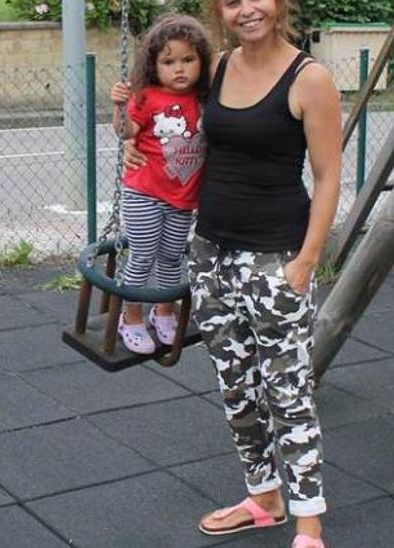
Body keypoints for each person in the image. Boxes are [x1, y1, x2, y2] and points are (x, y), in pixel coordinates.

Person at [126, 0, 341, 546]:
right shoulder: (216, 68)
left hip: (276, 259)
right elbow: (164, 119)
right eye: (231, 2)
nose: (247, 10)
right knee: (237, 388)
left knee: (288, 390)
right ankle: (264, 496)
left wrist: (306, 261)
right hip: (211, 254)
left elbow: (328, 175)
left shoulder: (309, 79)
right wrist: (128, 139)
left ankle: (309, 522)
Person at [107, 14, 213, 354]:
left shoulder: (204, 98)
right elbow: (126, 133)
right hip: (145, 192)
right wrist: (120, 106)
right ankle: (131, 317)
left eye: (187, 60)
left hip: (182, 197)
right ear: (155, 65)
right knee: (143, 255)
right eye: (169, 62)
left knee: (170, 257)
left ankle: (163, 312)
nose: (179, 69)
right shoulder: (147, 96)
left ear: (201, 61)